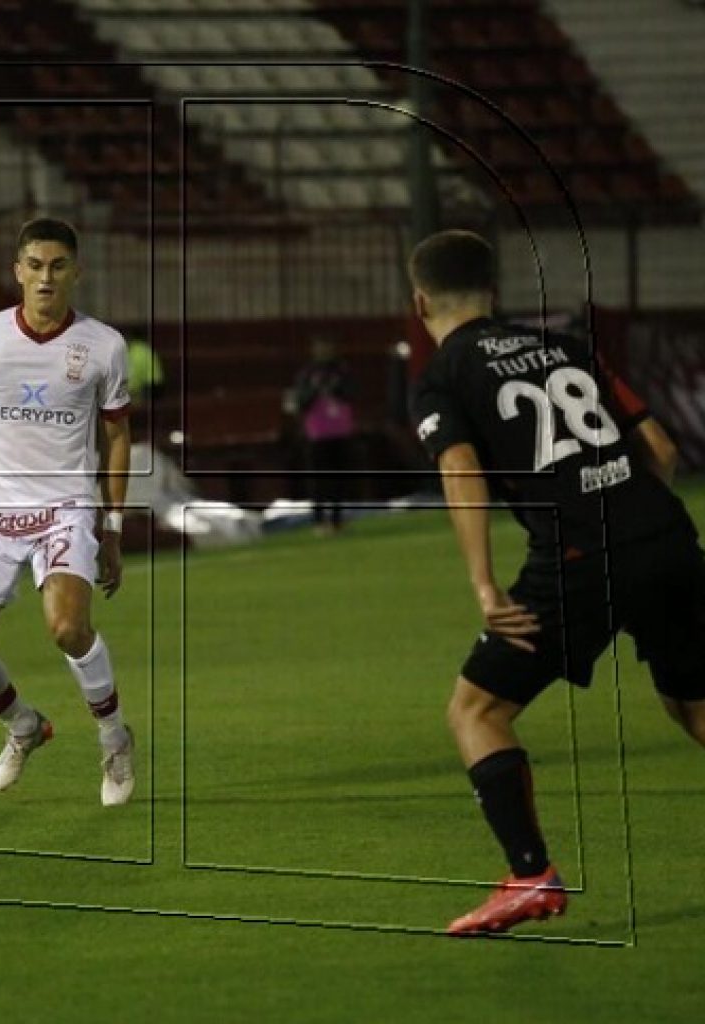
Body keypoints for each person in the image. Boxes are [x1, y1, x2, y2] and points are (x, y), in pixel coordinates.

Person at [409, 230, 704, 936]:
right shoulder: (570, 349)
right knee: (695, 706)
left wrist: (484, 586)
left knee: (476, 710)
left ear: (418, 300)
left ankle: (530, 874)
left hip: (579, 559)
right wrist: (629, 519)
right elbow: (659, 448)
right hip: (667, 534)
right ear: (494, 292)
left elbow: (460, 471)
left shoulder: (445, 373)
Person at [0, 217, 135, 807]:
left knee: (68, 627)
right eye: (36, 266)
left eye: (58, 266)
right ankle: (24, 725)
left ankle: (114, 737)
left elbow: (118, 437)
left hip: (65, 507)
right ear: (17, 271)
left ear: (77, 271)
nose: (46, 278)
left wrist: (113, 527)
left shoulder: (104, 346)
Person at [294, 337, 356, 533]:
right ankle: (319, 520)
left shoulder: (342, 371)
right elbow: (301, 401)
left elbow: (351, 393)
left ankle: (337, 519)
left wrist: (336, 387)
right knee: (318, 479)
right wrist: (315, 388)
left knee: (339, 477)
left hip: (339, 430)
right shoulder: (308, 374)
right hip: (317, 433)